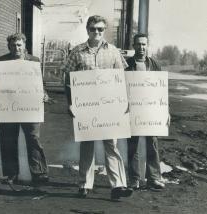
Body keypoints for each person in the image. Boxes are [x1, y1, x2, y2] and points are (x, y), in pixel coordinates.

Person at [63, 15, 133, 200]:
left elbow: (121, 78)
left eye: (100, 29)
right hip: (86, 106)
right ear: (87, 29)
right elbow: (68, 79)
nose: (97, 32)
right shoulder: (77, 52)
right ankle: (84, 184)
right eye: (93, 28)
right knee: (87, 144)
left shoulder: (113, 52)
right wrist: (70, 102)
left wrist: (125, 102)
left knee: (111, 144)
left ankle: (118, 185)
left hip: (109, 106)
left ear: (104, 31)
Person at [0, 33, 48, 184]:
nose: (16, 48)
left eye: (19, 45)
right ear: (9, 46)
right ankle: (10, 174)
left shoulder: (33, 61)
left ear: (24, 45)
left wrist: (44, 94)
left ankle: (39, 173)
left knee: (33, 139)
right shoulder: (1, 62)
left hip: (29, 108)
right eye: (13, 45)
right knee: (8, 140)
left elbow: (41, 83)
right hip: (8, 108)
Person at [126, 33, 166, 190]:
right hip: (133, 111)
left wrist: (165, 111)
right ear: (133, 45)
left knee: (152, 144)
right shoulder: (127, 64)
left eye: (144, 44)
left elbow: (161, 91)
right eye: (138, 44)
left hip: (151, 111)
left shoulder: (154, 65)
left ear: (147, 46)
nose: (141, 47)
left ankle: (153, 178)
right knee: (133, 145)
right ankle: (134, 179)